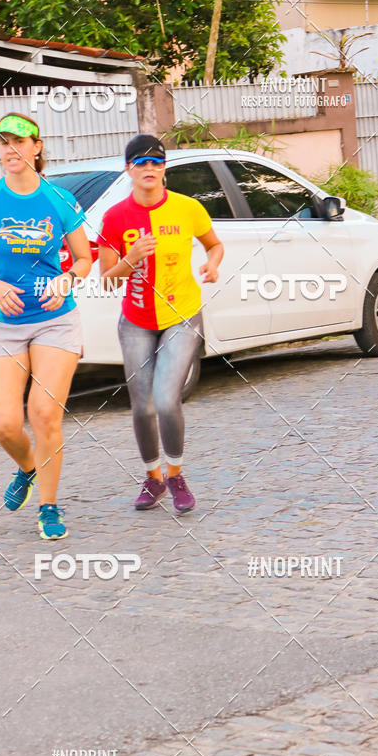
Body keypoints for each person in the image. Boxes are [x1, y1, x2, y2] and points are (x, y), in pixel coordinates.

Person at [0, 112, 92, 539]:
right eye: (3, 142)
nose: (10, 149)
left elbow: (85, 259)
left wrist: (66, 278)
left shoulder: (58, 198)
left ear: (37, 147)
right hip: (5, 321)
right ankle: (28, 468)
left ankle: (49, 507)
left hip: (55, 319)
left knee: (43, 413)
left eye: (19, 141)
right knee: (4, 424)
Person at [98, 134, 223, 513]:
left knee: (167, 400)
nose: (149, 169)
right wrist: (131, 258)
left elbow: (214, 244)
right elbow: (107, 277)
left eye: (156, 162)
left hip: (181, 315)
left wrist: (212, 264)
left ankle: (175, 474)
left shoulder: (187, 209)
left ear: (164, 168)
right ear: (128, 170)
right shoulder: (115, 217)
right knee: (142, 406)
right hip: (136, 320)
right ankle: (153, 478)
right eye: (141, 163)